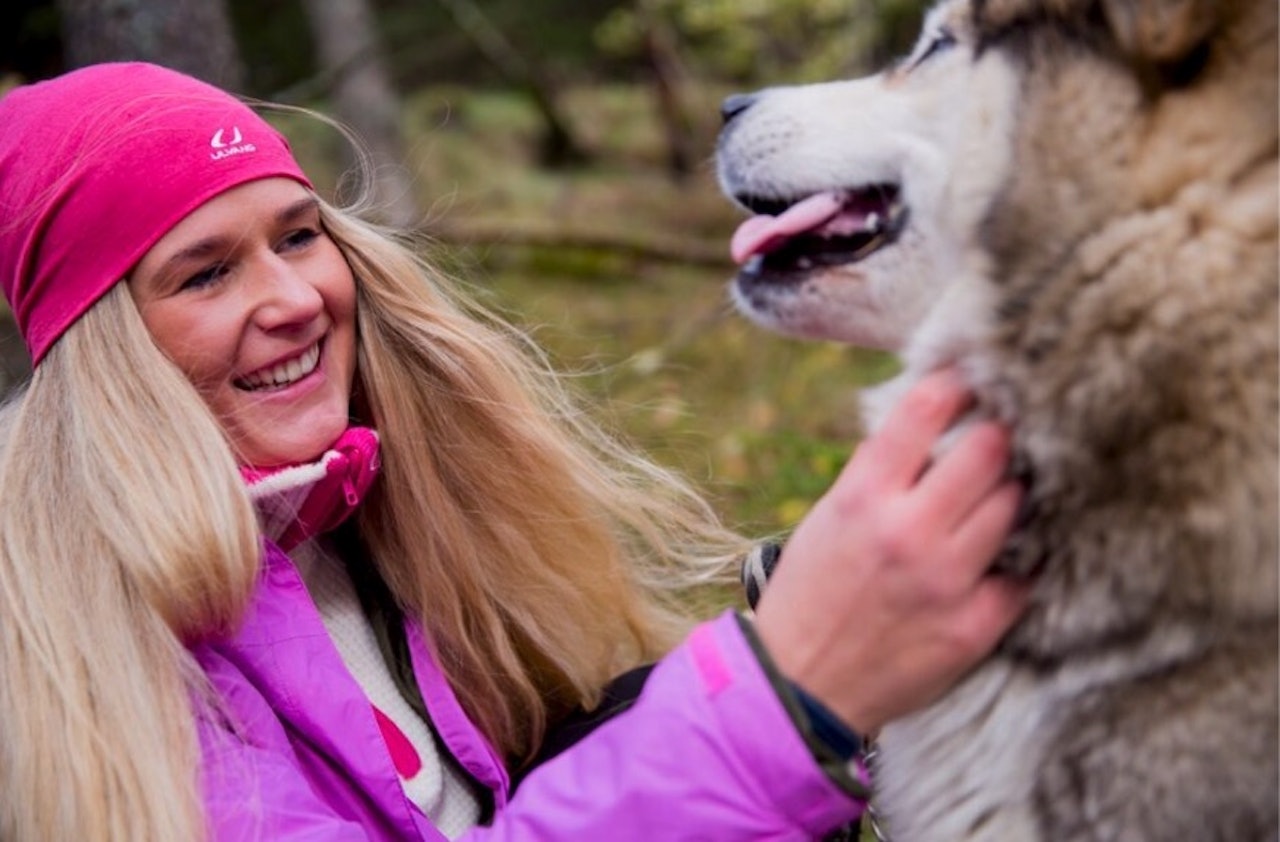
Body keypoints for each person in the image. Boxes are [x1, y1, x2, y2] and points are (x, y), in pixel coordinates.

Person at [0, 62, 1027, 842]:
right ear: (106, 353)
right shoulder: (102, 658)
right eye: (205, 273)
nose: (295, 298)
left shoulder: (376, 520)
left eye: (300, 234)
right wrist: (780, 697)